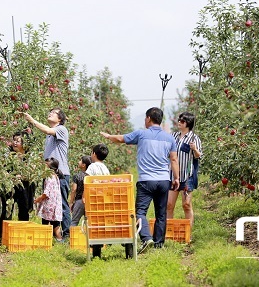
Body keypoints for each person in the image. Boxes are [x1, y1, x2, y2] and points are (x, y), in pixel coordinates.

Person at [100, 107, 180, 253]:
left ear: (149, 118)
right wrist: (176, 178)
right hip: (163, 180)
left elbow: (120, 139)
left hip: (146, 180)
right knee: (161, 213)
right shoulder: (170, 138)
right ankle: (158, 244)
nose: (144, 120)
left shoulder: (141, 134)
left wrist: (108, 136)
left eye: (145, 118)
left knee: (140, 212)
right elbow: (174, 159)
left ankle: (146, 238)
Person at [22, 108, 72, 239]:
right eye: (49, 112)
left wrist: (32, 120)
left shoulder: (61, 129)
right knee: (51, 203)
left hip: (60, 174)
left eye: (53, 113)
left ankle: (67, 235)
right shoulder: (49, 136)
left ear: (60, 118)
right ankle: (54, 235)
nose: (50, 113)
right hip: (49, 175)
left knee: (62, 205)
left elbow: (46, 129)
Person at [166, 112, 202, 228]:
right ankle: (168, 231)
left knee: (186, 204)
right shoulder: (173, 136)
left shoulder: (194, 138)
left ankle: (188, 232)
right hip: (173, 175)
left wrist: (195, 149)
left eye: (182, 121)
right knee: (169, 204)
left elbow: (198, 156)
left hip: (187, 176)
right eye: (179, 120)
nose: (179, 123)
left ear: (188, 123)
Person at [0, 131, 36, 240]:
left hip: (25, 187)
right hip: (9, 185)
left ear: (25, 143)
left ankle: (23, 236)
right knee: (7, 210)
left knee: (24, 210)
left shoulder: (30, 156)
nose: (15, 143)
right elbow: (2, 168)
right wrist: (9, 176)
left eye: (18, 141)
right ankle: (4, 237)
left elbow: (32, 172)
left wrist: (22, 176)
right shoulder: (8, 154)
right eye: (14, 140)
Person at [35, 157, 63, 241]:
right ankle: (59, 240)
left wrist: (38, 199)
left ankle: (45, 240)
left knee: (45, 222)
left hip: (49, 204)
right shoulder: (56, 177)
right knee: (56, 223)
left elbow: (46, 193)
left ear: (48, 167)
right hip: (55, 204)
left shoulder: (49, 177)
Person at [70, 155, 92, 227]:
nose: (78, 162)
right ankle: (87, 237)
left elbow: (74, 189)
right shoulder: (91, 176)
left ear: (83, 165)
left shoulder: (77, 176)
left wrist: (71, 202)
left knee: (74, 221)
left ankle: (72, 237)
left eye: (80, 161)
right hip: (89, 201)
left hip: (79, 201)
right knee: (89, 222)